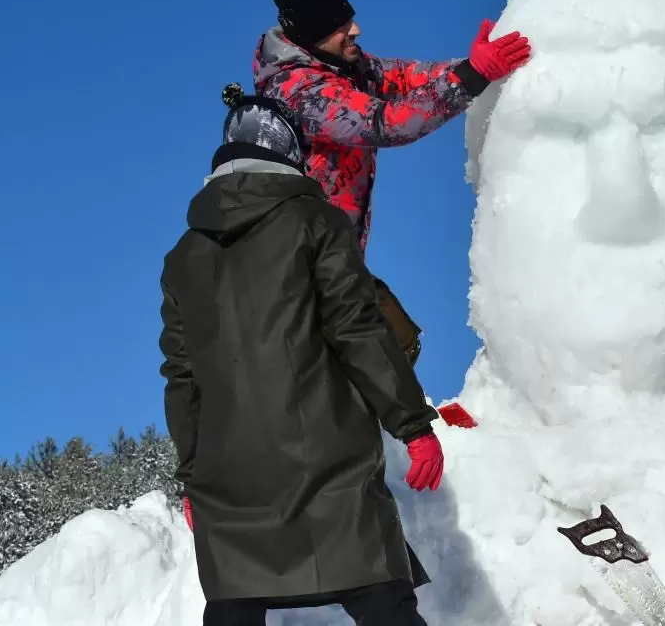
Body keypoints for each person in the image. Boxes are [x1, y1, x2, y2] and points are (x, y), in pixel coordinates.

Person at [159, 85, 448, 626]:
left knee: (234, 606)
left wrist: (192, 475)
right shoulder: (316, 223)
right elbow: (356, 328)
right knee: (380, 596)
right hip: (327, 458)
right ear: (288, 155)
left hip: (227, 474)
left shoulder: (183, 256)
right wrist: (413, 425)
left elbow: (182, 377)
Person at [252, 0, 533, 364]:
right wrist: (473, 76)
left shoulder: (345, 66)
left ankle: (390, 421)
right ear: (310, 37)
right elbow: (386, 123)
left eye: (349, 18)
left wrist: (474, 65)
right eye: (339, 26)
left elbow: (405, 78)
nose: (355, 30)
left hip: (336, 260)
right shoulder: (300, 91)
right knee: (368, 358)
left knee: (396, 344)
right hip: (297, 272)